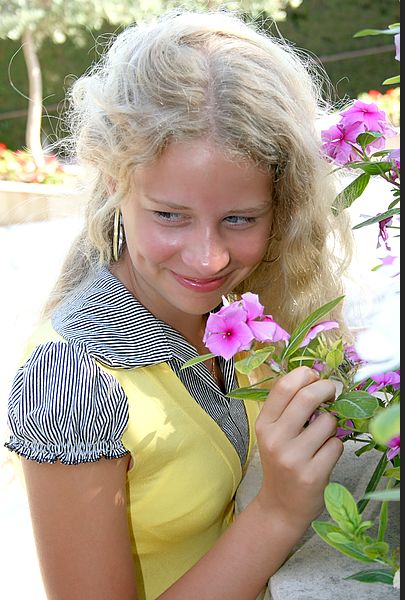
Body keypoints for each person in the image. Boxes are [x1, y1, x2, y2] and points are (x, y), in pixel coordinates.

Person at [5, 9, 354, 600]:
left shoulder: (250, 302)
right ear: (116, 184)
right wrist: (278, 513)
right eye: (170, 215)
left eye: (240, 219)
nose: (209, 258)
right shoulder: (69, 380)